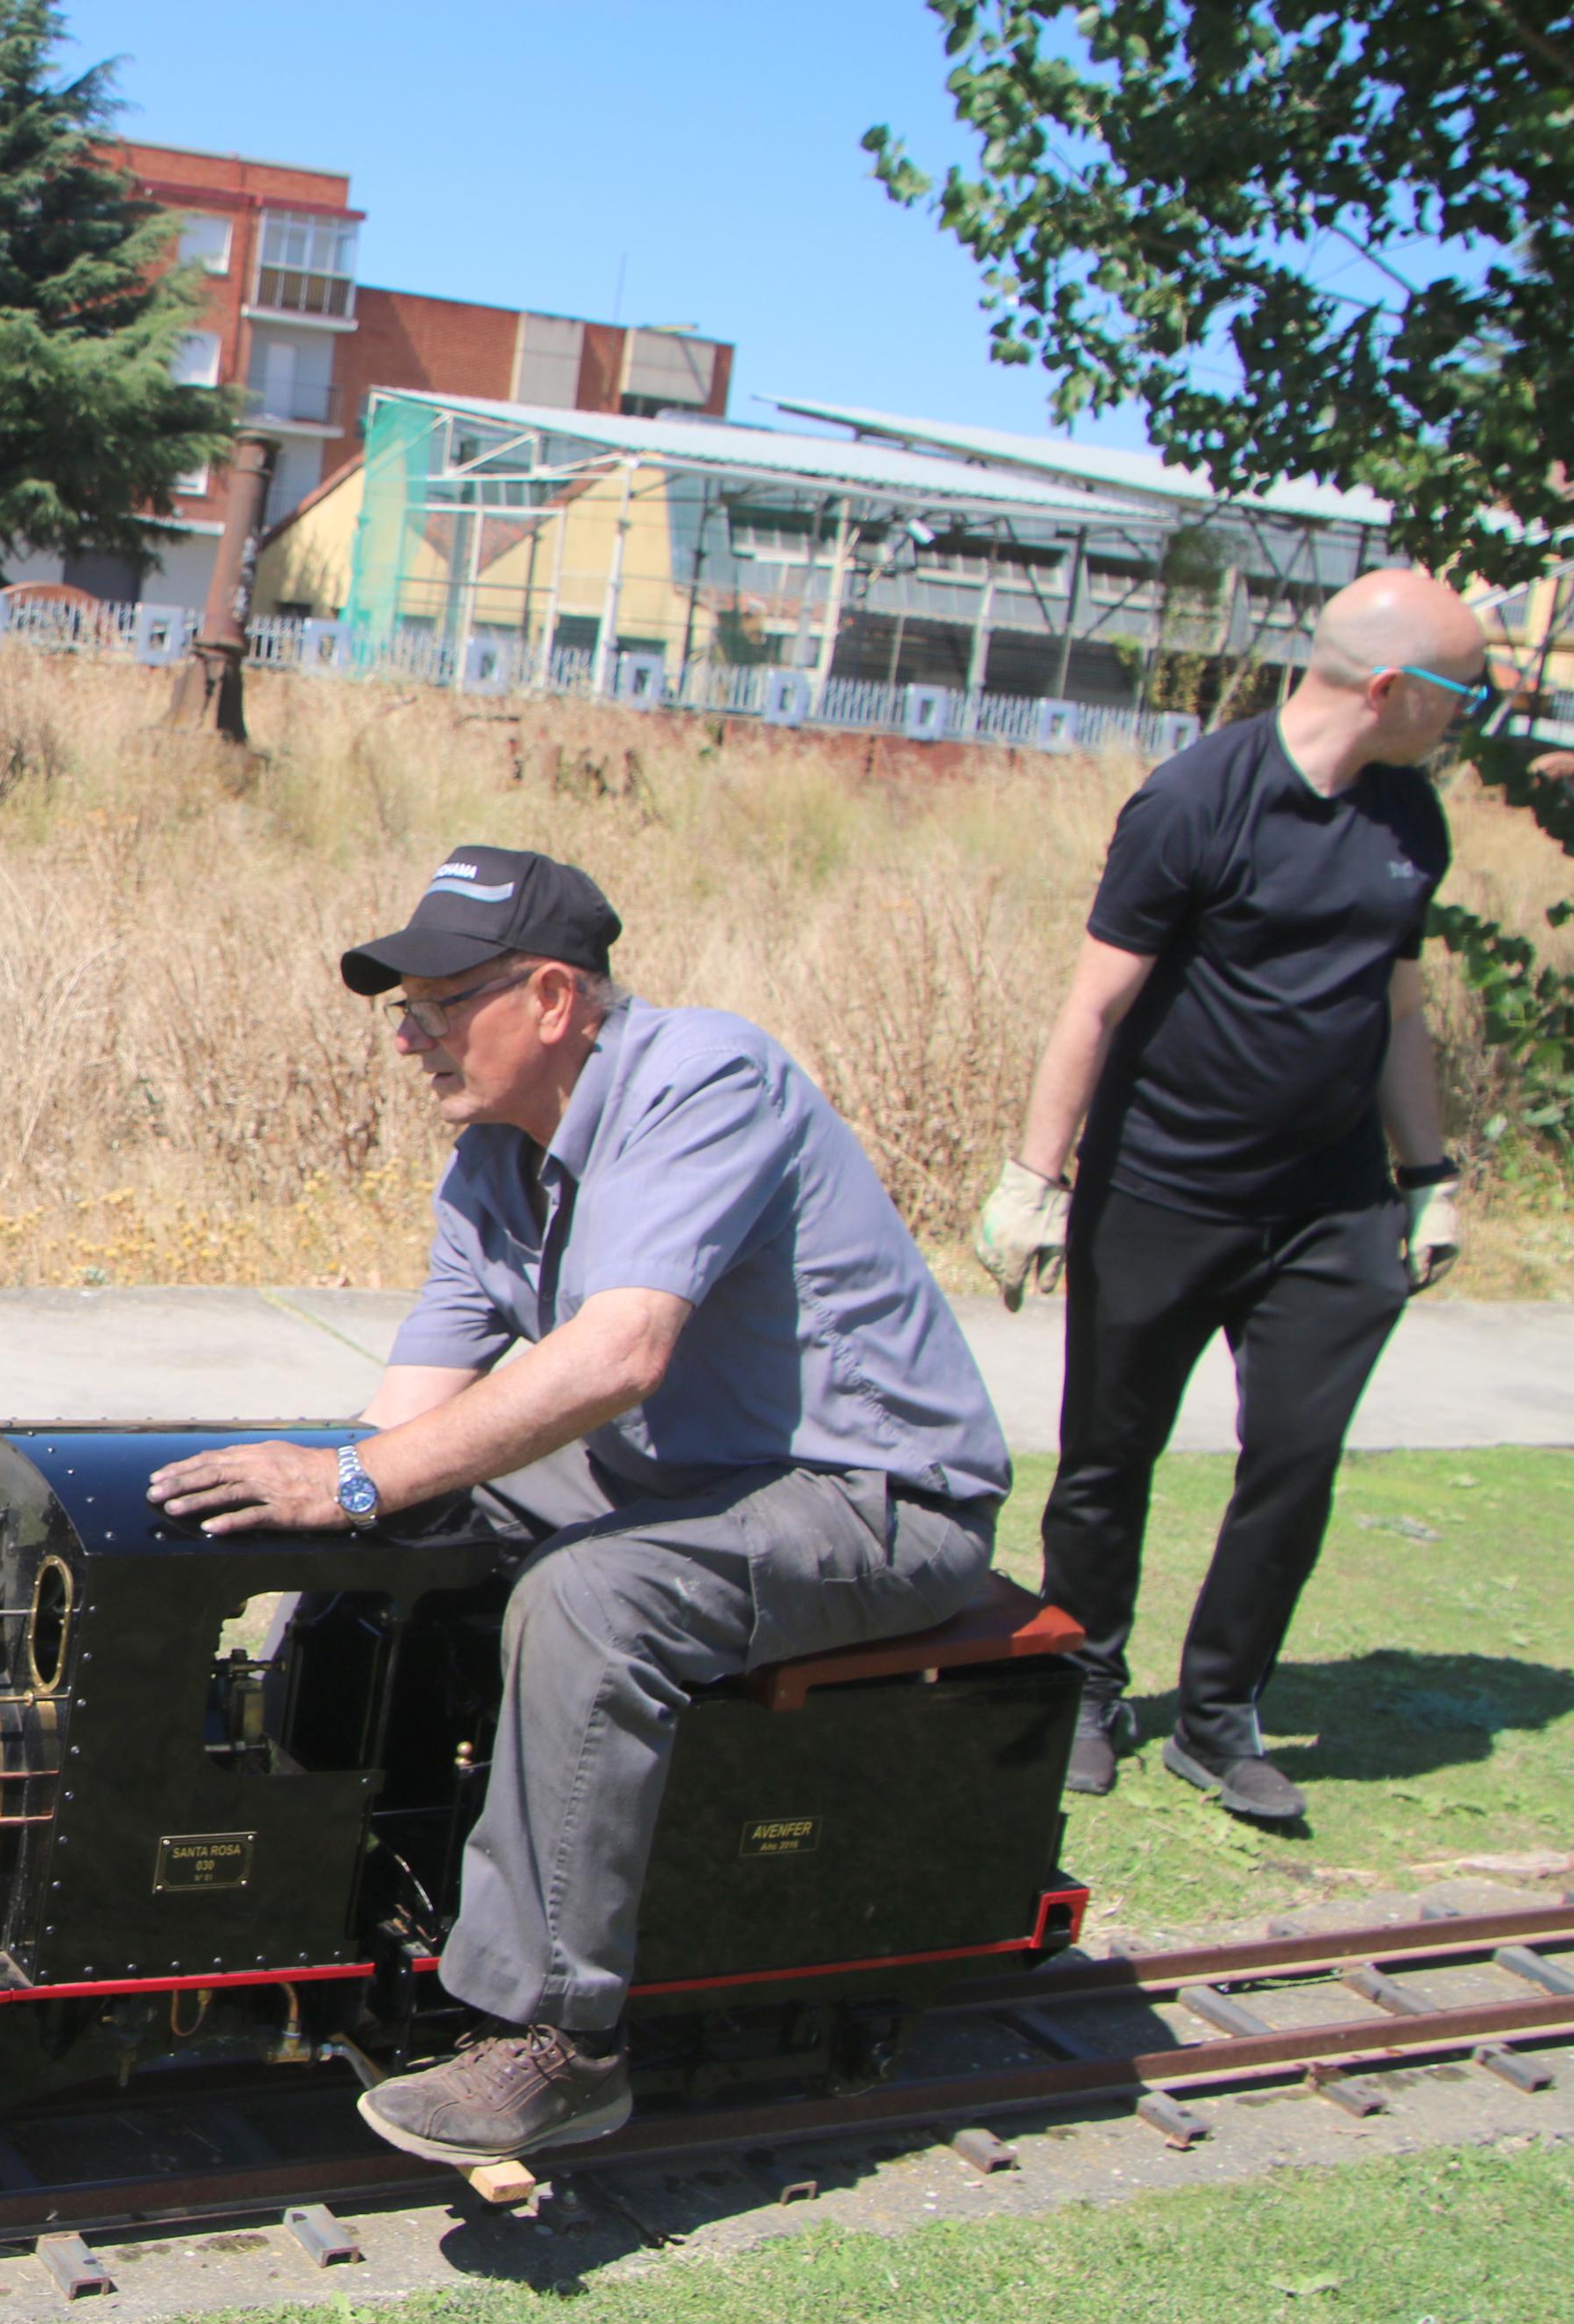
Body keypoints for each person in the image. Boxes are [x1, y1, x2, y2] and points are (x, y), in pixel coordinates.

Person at [145, 845, 1009, 2166]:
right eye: (403, 1011)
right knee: (403, 1515)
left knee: (593, 1599)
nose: (410, 1040)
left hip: (872, 1496)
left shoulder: (707, 1077)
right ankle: (308, 1870)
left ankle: (562, 2039)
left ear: (553, 997)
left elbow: (619, 1356)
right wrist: (340, 1499)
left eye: (441, 1004)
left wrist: (362, 1477)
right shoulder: (495, 1154)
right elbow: (404, 1423)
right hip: (688, 1470)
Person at [974, 568, 1485, 1824]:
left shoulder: (1411, 819)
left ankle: (1219, 1716)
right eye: (1458, 693)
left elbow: (1401, 1011)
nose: (1465, 717)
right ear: (1389, 688)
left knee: (1295, 1465)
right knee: (1107, 1460)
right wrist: (1031, 1181)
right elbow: (1097, 1001)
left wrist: (1429, 1179)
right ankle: (1088, 1683)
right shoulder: (1194, 801)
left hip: (1331, 1212)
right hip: (1161, 1193)